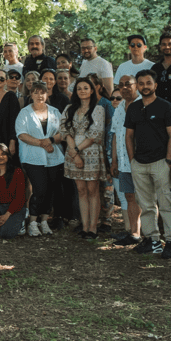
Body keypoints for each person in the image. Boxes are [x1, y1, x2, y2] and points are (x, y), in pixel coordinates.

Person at [125, 69, 171, 257]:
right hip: (139, 163)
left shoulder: (166, 107)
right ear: (137, 86)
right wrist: (132, 160)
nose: (145, 87)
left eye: (148, 83)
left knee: (167, 203)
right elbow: (129, 136)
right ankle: (153, 240)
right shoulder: (133, 107)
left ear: (155, 85)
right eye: (141, 83)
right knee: (146, 205)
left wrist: (169, 161)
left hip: (160, 162)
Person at [16, 81, 65, 237]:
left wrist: (50, 141)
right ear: (31, 94)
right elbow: (21, 134)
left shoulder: (55, 111)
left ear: (47, 94)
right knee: (40, 189)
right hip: (32, 157)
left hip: (54, 157)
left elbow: (63, 132)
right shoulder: (24, 113)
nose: (39, 95)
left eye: (42, 92)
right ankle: (33, 222)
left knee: (51, 190)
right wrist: (42, 143)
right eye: (36, 92)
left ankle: (44, 221)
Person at [61, 77, 107, 239]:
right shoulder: (69, 108)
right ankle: (85, 226)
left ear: (92, 90)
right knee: (81, 190)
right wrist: (74, 153)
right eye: (79, 88)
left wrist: (76, 150)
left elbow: (95, 135)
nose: (82, 91)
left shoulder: (98, 109)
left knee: (92, 190)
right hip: (73, 155)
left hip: (91, 153)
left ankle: (93, 228)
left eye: (86, 88)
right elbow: (65, 131)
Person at [109, 75, 143, 247]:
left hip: (141, 161)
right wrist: (114, 161)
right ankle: (134, 233)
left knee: (146, 198)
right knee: (129, 196)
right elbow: (116, 135)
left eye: (128, 84)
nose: (124, 88)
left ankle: (151, 235)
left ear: (136, 86)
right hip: (122, 161)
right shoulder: (120, 107)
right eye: (120, 85)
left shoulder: (144, 104)